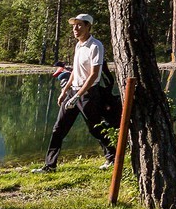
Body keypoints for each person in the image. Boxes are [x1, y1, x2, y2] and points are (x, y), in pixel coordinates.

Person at [35, 13, 121, 172]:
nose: (75, 28)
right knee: (58, 129)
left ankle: (112, 158)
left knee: (95, 128)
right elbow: (75, 71)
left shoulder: (96, 46)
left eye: (79, 25)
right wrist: (65, 90)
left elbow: (94, 74)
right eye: (74, 25)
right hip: (73, 93)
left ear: (88, 26)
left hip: (88, 94)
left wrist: (78, 95)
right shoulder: (78, 45)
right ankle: (50, 165)